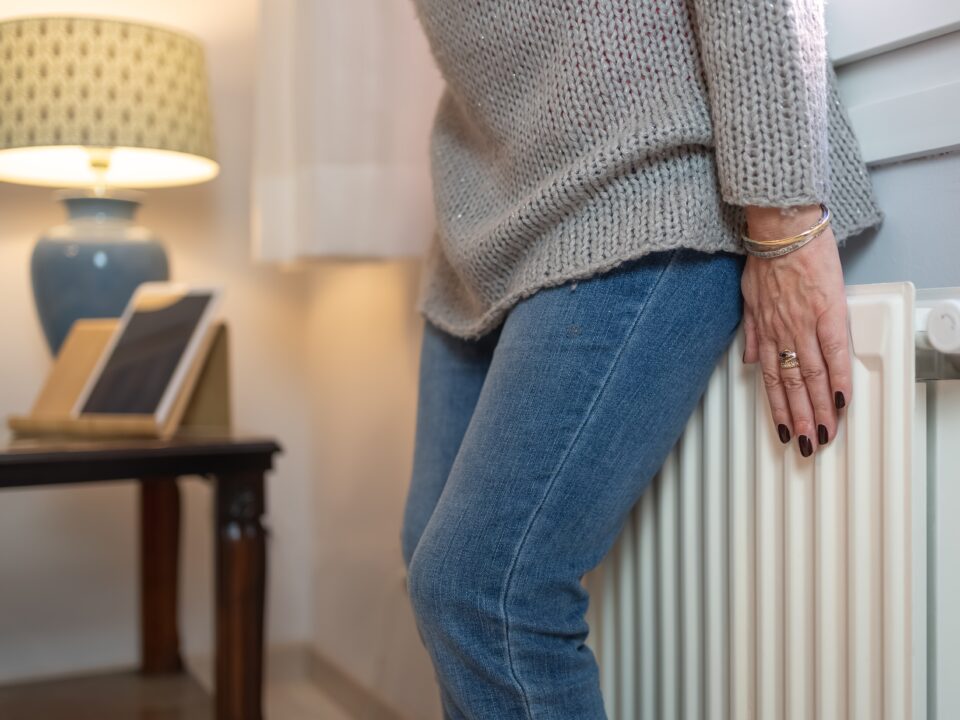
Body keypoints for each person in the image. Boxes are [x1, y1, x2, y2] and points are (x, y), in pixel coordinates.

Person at [400, 0, 883, 717]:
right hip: (487, 202)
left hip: (639, 177)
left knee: (483, 592)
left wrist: (784, 222)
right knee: (431, 566)